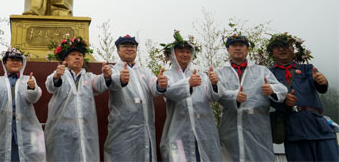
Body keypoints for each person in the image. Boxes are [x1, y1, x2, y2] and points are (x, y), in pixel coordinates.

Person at [267, 32, 339, 161]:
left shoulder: (307, 68)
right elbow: (268, 98)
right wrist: (284, 102)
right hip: (293, 130)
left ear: (293, 50)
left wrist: (322, 81)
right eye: (277, 46)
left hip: (318, 126)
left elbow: (321, 88)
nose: (282, 49)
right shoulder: (269, 73)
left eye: (286, 45)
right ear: (272, 52)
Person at [216, 33, 288, 162]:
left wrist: (272, 90)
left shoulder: (262, 70)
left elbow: (282, 89)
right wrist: (234, 96)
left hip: (258, 126)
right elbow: (215, 93)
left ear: (247, 49)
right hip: (230, 125)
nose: (238, 48)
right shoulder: (219, 72)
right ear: (228, 49)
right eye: (234, 45)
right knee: (229, 157)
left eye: (241, 45)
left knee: (261, 156)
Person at [154, 31, 221, 162]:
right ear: (173, 54)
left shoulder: (201, 75)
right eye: (181, 51)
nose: (185, 54)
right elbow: (170, 92)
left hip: (204, 133)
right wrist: (188, 84)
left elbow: (213, 97)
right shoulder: (168, 75)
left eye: (188, 52)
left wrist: (214, 84)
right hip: (179, 134)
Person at [45, 37, 112, 161]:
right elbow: (50, 86)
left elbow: (100, 84)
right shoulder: (60, 74)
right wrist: (56, 76)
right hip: (61, 130)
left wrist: (106, 76)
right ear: (65, 59)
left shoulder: (89, 77)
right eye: (73, 55)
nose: (77, 57)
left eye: (80, 55)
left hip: (85, 129)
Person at [0, 48, 45, 162]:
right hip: (2, 127)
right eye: (11, 59)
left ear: (23, 63)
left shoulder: (29, 79)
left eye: (18, 60)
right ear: (5, 62)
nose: (15, 62)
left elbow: (33, 98)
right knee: (3, 155)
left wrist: (32, 87)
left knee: (27, 155)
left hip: (26, 127)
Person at [104, 35, 160, 162]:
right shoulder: (113, 70)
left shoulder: (145, 72)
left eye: (132, 46)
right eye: (125, 46)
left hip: (145, 131)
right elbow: (110, 82)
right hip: (122, 131)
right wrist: (115, 78)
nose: (129, 49)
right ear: (118, 50)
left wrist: (160, 84)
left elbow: (154, 87)